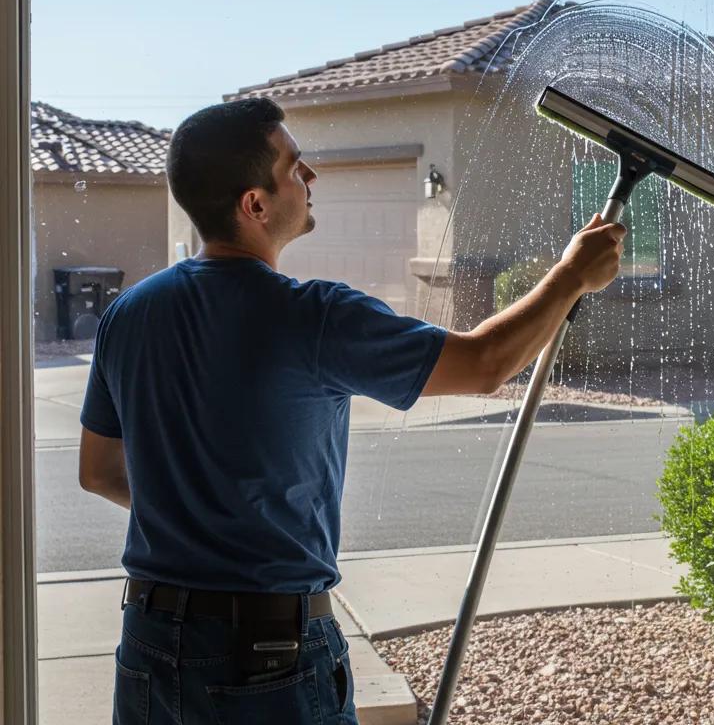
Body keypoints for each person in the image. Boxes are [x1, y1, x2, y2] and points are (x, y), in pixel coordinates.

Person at [78, 96, 626, 725]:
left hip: (147, 645)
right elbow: (484, 364)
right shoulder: (313, 316)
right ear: (254, 204)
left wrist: (199, 514)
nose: (310, 178)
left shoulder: (130, 313)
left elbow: (98, 471)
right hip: (264, 661)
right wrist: (572, 275)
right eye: (294, 167)